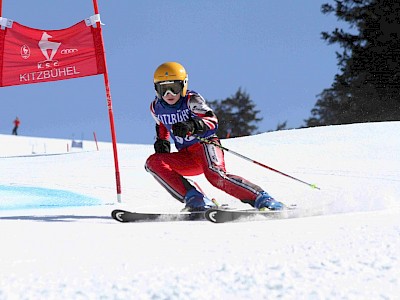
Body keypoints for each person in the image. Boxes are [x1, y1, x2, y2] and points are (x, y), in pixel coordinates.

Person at [145, 62, 284, 212]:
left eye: (174, 88)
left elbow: (212, 121)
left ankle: (262, 198)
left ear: (184, 85)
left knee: (215, 175)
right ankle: (196, 198)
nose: (169, 94)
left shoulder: (191, 100)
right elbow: (161, 125)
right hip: (187, 156)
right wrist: (162, 141)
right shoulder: (156, 107)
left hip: (205, 145)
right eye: (164, 89)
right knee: (153, 162)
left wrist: (192, 125)